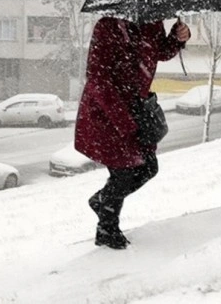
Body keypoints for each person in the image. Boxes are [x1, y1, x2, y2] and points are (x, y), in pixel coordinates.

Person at [74, 16, 191, 249]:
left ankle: (102, 201)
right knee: (124, 172)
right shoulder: (107, 26)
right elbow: (99, 80)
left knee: (148, 168)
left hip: (137, 109)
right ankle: (107, 231)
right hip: (107, 113)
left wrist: (177, 39)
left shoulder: (151, 21)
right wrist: (125, 122)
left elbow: (158, 51)